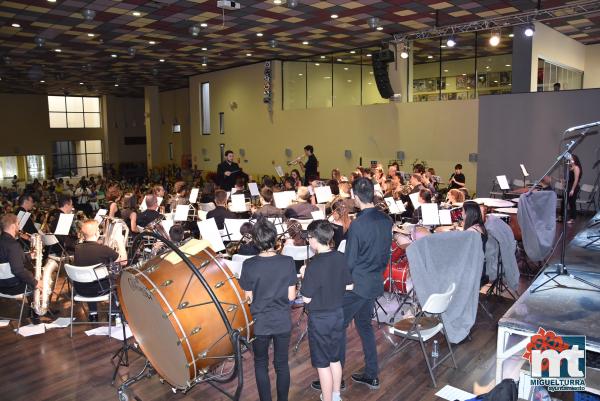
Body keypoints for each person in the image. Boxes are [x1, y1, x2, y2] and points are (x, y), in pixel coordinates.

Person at [312, 177, 392, 392]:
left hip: (356, 286)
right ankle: (372, 375)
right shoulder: (386, 220)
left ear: (355, 197)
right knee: (365, 327)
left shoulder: (357, 226)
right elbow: (386, 255)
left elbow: (349, 262)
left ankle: (336, 380)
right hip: (374, 282)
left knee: (337, 328)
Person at [239, 218, 297, 401]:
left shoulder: (248, 265)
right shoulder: (288, 261)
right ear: (274, 239)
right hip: (282, 321)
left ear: (256, 241)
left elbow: (247, 298)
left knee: (261, 364)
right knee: (281, 364)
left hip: (259, 323)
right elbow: (291, 297)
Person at [301, 220, 353, 401]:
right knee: (335, 358)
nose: (308, 241)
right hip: (338, 314)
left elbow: (306, 298)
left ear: (314, 239)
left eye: (309, 238)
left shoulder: (312, 266)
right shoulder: (340, 256)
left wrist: (304, 274)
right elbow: (349, 285)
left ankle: (327, 398)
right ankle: (336, 395)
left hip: (320, 319)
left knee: (322, 364)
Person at [73, 220, 123, 321]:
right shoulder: (104, 249)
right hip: (100, 290)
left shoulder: (77, 249)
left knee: (88, 278)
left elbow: (90, 251)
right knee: (115, 278)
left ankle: (93, 313)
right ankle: (113, 312)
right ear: (97, 233)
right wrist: (120, 243)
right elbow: (123, 262)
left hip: (81, 290)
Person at [0, 214, 42, 323]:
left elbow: (7, 260)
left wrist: (28, 256)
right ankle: (35, 313)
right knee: (32, 276)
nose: (19, 227)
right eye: (18, 224)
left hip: (1, 286)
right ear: (13, 226)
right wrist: (35, 282)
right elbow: (17, 270)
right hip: (14, 287)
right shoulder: (13, 245)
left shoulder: (3, 241)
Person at [462, 201, 488, 286]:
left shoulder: (471, 232)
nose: (461, 213)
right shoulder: (480, 226)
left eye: (463, 211)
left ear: (468, 213)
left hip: (474, 273)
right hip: (481, 268)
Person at [567, 154, 582, 224]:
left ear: (574, 160)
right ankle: (570, 217)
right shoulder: (570, 168)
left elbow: (576, 180)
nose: (569, 160)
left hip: (574, 187)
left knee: (572, 203)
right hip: (569, 186)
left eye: (571, 159)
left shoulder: (576, 168)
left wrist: (572, 189)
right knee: (569, 202)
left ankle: (572, 218)